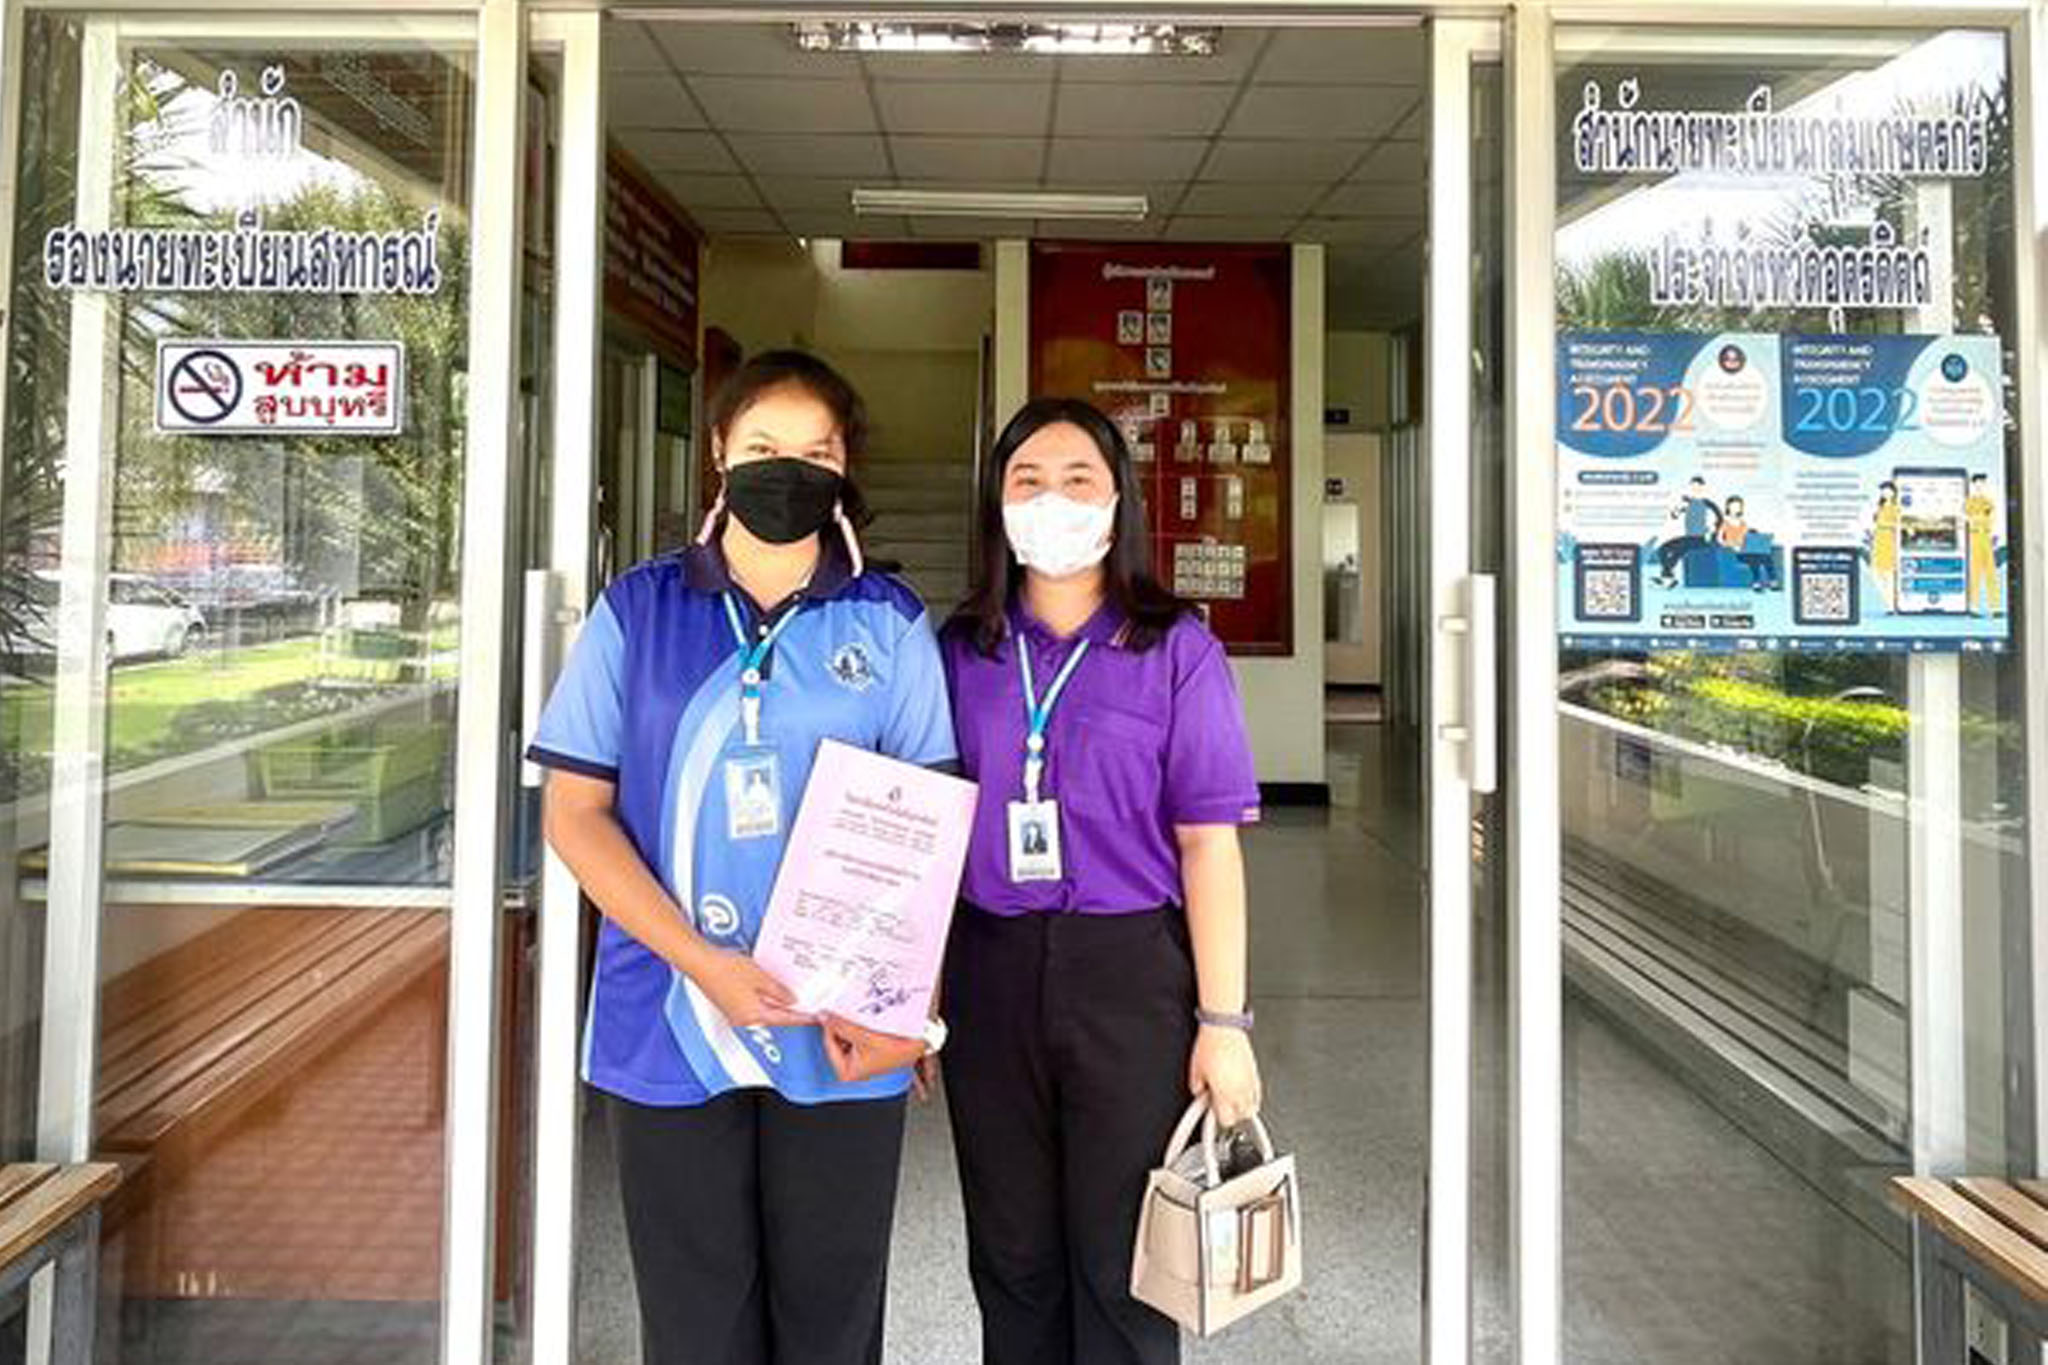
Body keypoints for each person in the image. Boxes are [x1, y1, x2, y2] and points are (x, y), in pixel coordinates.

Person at [527, 350, 956, 1365]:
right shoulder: (638, 607)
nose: (789, 469)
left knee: (832, 1320)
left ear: (845, 469)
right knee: (694, 1325)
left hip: (839, 1021)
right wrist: (700, 960)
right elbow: (575, 813)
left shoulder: (887, 624)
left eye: (817, 451)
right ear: (719, 451)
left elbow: (923, 829)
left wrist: (912, 1011)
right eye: (765, 446)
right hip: (670, 1014)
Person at [939, 397, 1263, 1365]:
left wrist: (1224, 1025)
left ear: (1116, 504)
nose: (1051, 500)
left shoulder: (1175, 652)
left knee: (1124, 1264)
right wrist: (908, 991)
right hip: (987, 970)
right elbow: (923, 829)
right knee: (1009, 1262)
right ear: (995, 507)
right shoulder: (961, 653)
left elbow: (1208, 847)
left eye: (1077, 480)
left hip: (1127, 978)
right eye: (1025, 481)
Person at [1650, 476, 1721, 587]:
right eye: (1692, 487)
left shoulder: (1708, 504)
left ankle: (1667, 577)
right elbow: (1674, 516)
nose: (1695, 489)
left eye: (1697, 486)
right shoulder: (1687, 502)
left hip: (1701, 538)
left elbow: (1719, 518)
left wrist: (1713, 533)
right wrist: (1679, 507)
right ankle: (1668, 577)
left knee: (1677, 552)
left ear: (1703, 487)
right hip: (1688, 537)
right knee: (1662, 550)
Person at [1870, 480, 1901, 612]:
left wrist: (1885, 526)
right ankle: (1886, 602)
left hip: (1889, 542)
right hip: (1878, 541)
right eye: (1883, 490)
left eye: (1888, 490)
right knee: (1877, 573)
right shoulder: (1879, 507)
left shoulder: (1896, 508)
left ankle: (1891, 605)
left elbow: (1898, 524)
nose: (1885, 493)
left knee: (1889, 575)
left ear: (1894, 492)